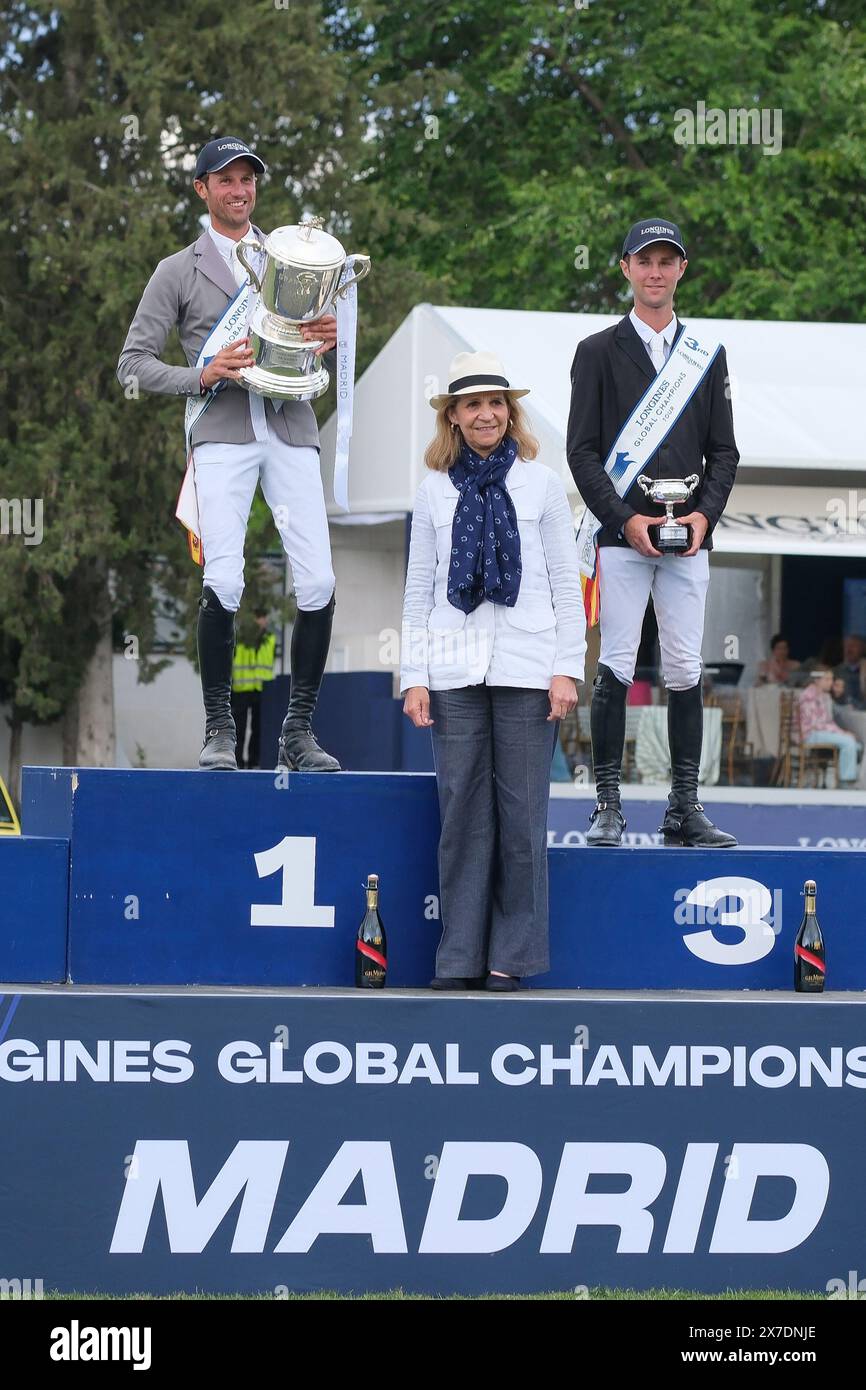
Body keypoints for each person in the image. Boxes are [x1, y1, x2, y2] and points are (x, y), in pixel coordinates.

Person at [117, 135, 340, 773]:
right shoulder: (177, 269)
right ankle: (219, 728)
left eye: (248, 180)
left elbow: (317, 343)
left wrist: (328, 334)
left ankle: (298, 731)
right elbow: (132, 365)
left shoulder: (291, 257)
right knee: (224, 577)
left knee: (320, 579)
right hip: (222, 431)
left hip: (291, 425)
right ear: (202, 189)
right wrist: (205, 371)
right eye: (226, 180)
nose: (239, 191)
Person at [401, 352, 585, 991]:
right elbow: (418, 586)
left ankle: (513, 957)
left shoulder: (541, 484)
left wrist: (567, 669)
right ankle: (458, 959)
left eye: (497, 403)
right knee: (461, 818)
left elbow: (567, 583)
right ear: (452, 415)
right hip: (452, 669)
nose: (486, 414)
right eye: (473, 404)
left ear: (512, 413)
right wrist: (413, 675)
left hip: (530, 668)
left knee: (522, 817)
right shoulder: (432, 489)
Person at [567, 217, 738, 848]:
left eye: (667, 261)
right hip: (623, 537)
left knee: (686, 667)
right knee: (614, 661)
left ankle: (684, 806)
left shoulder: (706, 356)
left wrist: (702, 517)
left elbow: (725, 453)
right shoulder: (597, 351)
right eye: (646, 261)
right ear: (626, 269)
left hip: (687, 537)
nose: (656, 272)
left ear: (681, 270)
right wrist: (626, 519)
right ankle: (607, 803)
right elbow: (581, 453)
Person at [797, 666, 862, 786]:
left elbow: (828, 721)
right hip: (811, 733)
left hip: (821, 732)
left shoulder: (825, 696)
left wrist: (842, 732)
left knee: (856, 745)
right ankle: (845, 782)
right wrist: (842, 734)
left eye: (831, 679)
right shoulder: (809, 696)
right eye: (826, 679)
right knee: (848, 742)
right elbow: (816, 724)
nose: (830, 682)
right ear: (817, 680)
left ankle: (846, 778)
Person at [231, 609, 276, 769]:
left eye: (264, 617)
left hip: (262, 690)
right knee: (239, 728)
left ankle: (253, 761)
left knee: (258, 729)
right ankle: (237, 761)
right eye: (259, 617)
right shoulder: (241, 638)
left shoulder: (270, 639)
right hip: (241, 689)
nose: (262, 621)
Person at [834, 634, 866, 709]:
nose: (849, 649)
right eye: (847, 645)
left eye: (854, 645)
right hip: (842, 713)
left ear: (862, 648)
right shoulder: (836, 671)